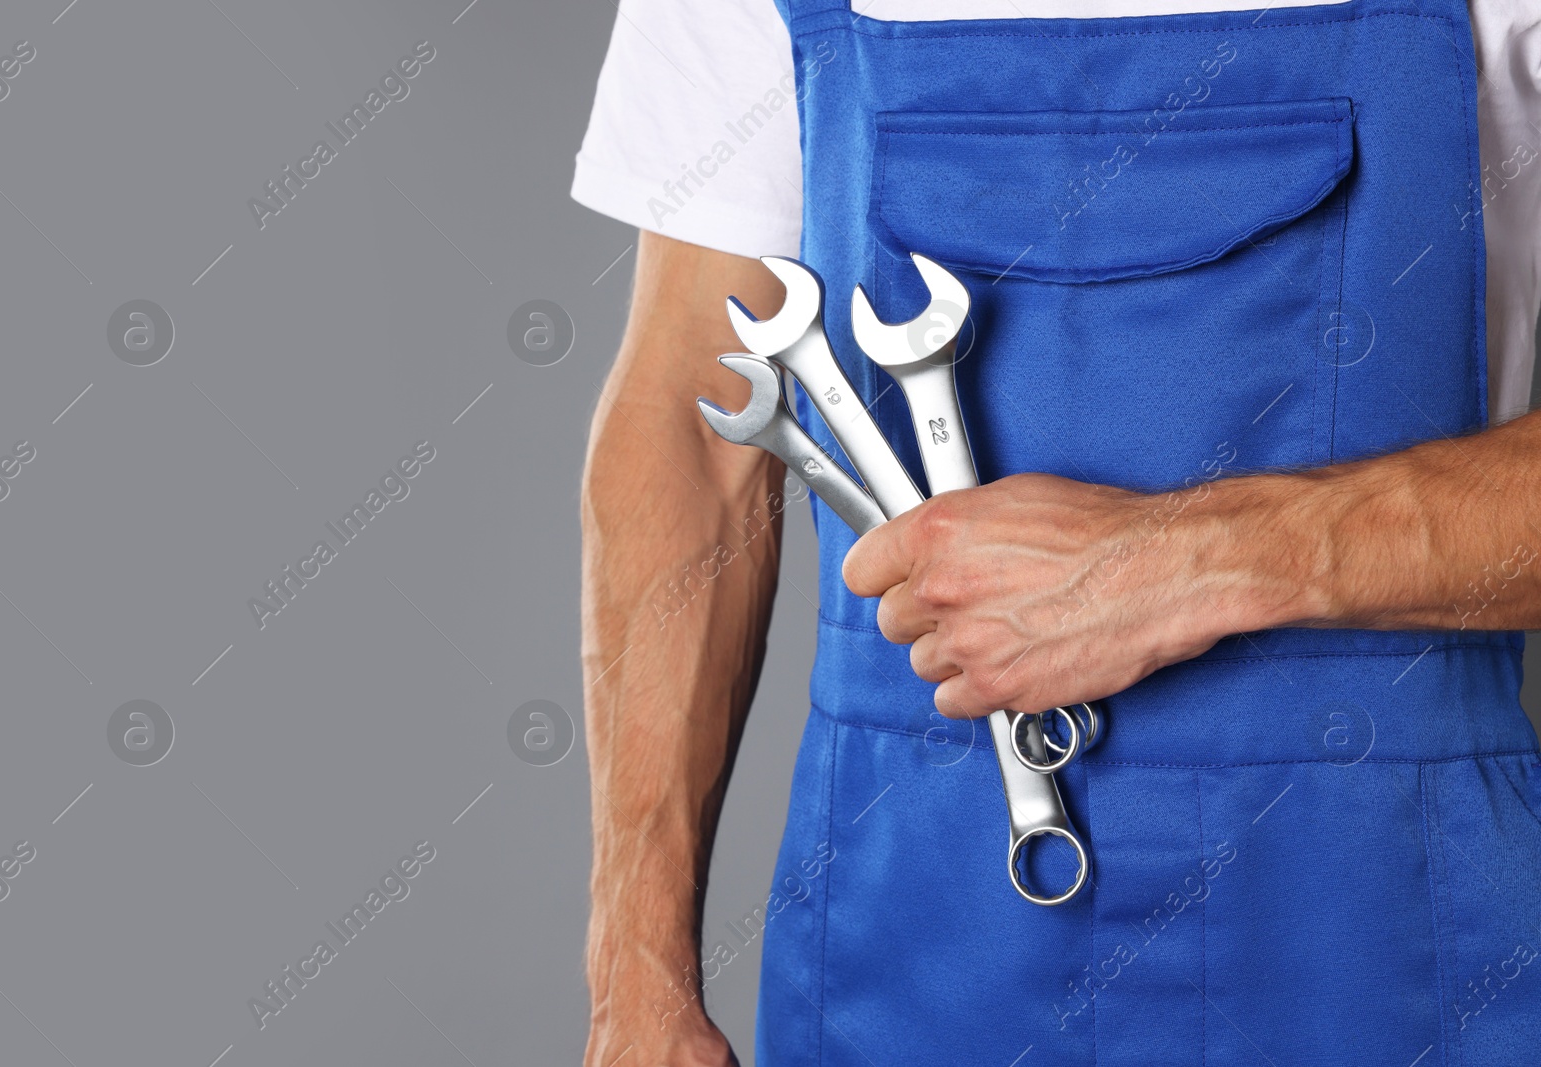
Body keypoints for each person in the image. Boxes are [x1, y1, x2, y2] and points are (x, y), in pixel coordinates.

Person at [573, 0, 1541, 1063]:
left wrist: (1193, 558)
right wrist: (636, 975)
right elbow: (691, 423)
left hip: (1385, 912)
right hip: (913, 918)